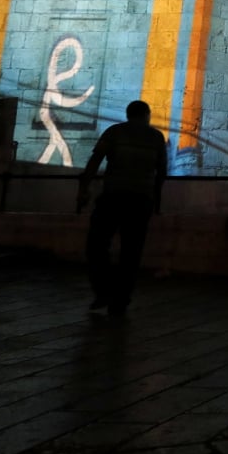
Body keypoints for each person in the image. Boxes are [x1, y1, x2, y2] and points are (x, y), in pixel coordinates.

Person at [78, 100, 167, 315]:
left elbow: (95, 160)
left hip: (113, 196)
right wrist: (156, 199)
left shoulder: (114, 132)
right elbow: (162, 171)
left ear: (128, 114)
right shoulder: (156, 137)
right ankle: (121, 299)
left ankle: (103, 290)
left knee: (97, 245)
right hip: (140, 200)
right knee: (131, 251)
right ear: (147, 115)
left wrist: (84, 188)